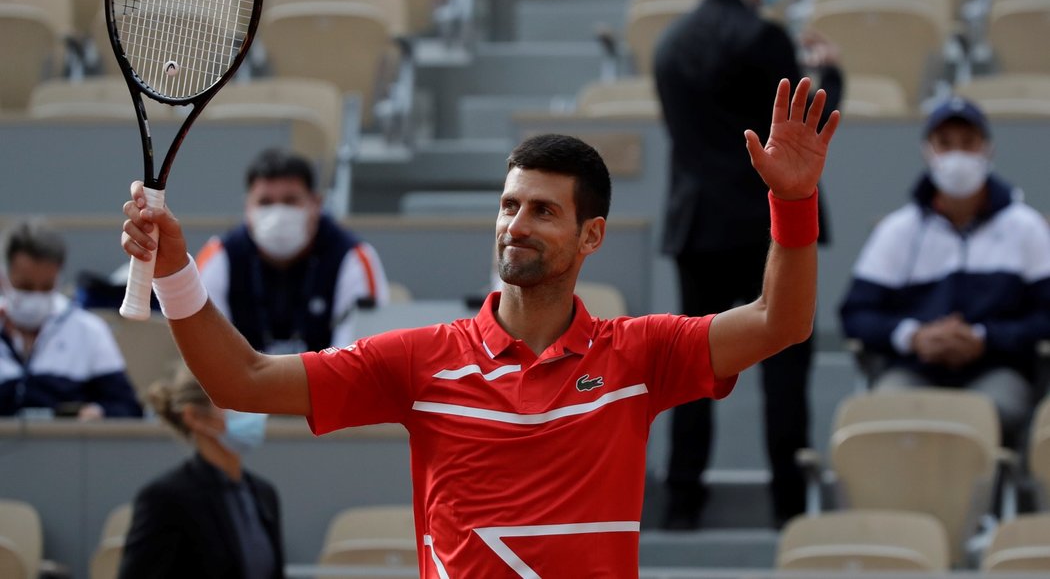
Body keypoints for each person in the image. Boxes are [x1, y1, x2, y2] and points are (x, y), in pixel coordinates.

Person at [120, 79, 839, 577]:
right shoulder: (419, 361)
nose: (515, 225)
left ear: (592, 237)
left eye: (542, 211)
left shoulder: (639, 354)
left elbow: (782, 320)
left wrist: (795, 202)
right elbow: (239, 381)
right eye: (508, 205)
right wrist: (178, 269)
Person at [652, 0, 843, 529]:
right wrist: (831, 78)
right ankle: (788, 511)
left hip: (699, 227)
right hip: (766, 228)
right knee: (784, 366)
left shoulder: (669, 44)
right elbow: (797, 128)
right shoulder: (764, 40)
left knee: (690, 369)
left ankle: (682, 505)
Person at [840, 97, 1050, 447]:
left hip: (997, 368)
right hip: (913, 368)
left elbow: (1046, 314)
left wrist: (984, 337)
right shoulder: (898, 230)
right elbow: (855, 314)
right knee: (886, 413)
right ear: (928, 151)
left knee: (986, 413)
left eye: (968, 143)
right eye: (946, 143)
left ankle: (993, 499)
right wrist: (914, 336)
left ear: (988, 149)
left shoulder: (1026, 228)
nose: (957, 155)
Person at [197, 148, 390, 355]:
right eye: (265, 202)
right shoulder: (219, 257)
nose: (278, 213)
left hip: (327, 383)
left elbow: (358, 358)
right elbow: (207, 350)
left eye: (290, 201)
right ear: (248, 207)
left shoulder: (353, 257)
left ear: (316, 204)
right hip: (234, 384)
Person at [119, 366, 284, 579]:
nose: (248, 409)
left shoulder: (263, 494)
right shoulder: (165, 498)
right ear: (194, 417)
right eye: (232, 401)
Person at [0, 219, 142, 419]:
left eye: (46, 287)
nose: (36, 295)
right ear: (4, 278)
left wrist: (97, 413)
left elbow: (128, 407)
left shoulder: (90, 331)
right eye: (25, 286)